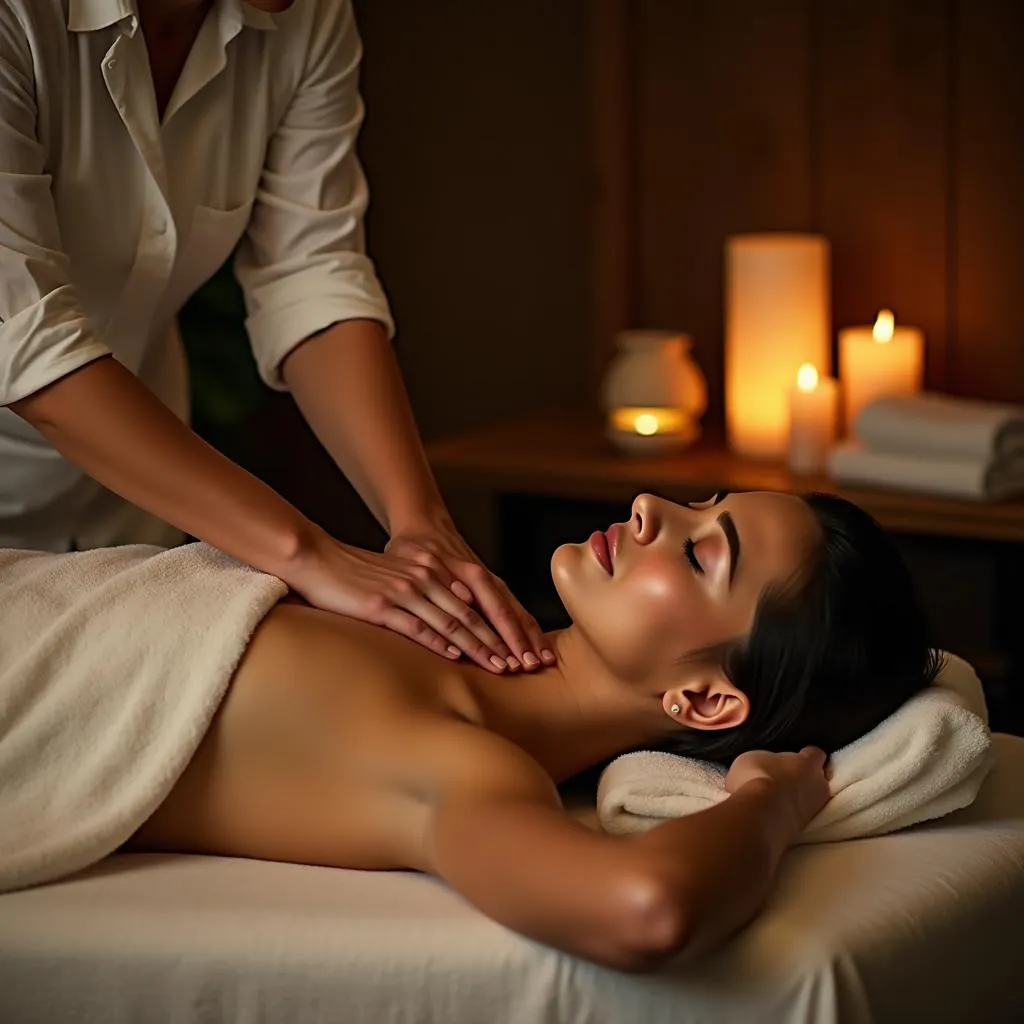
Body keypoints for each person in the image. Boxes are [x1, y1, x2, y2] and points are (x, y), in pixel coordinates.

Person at [0, 490, 940, 971]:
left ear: (704, 704)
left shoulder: (459, 758)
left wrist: (773, 800)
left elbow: (646, 912)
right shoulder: (436, 615)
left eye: (700, 553)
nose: (653, 508)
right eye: (701, 502)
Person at [0, 0, 547, 674]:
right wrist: (308, 553)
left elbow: (309, 271)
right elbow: (27, 336)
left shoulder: (305, 15)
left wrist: (420, 523)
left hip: (134, 509)